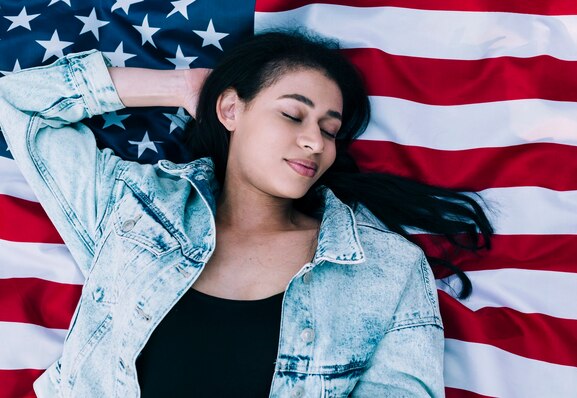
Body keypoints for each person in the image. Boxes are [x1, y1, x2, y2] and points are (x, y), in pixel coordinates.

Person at [0, 31, 492, 397]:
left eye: (330, 128)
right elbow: (19, 105)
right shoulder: (138, 208)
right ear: (231, 110)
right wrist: (182, 87)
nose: (314, 141)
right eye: (292, 114)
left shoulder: (385, 268)